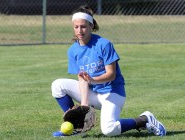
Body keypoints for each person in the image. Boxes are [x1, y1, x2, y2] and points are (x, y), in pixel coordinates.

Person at [51, 5, 166, 137]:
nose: (79, 30)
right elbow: (82, 79)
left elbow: (111, 75)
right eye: (76, 27)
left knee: (109, 130)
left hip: (112, 93)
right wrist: (83, 107)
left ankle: (144, 120)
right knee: (57, 85)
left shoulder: (103, 44)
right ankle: (77, 124)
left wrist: (92, 80)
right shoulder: (73, 50)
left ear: (91, 26)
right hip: (93, 93)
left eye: (83, 26)